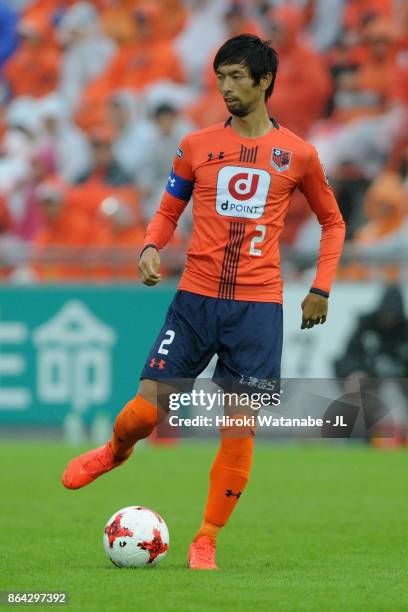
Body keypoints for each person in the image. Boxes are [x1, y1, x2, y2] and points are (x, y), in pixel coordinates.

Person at [61, 34, 346, 570]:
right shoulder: (195, 145)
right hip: (194, 300)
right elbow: (168, 211)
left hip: (258, 311)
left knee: (239, 430)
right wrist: (150, 244)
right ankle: (115, 451)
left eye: (238, 77)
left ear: (264, 82)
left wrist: (321, 287)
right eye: (220, 77)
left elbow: (333, 222)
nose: (226, 87)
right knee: (146, 411)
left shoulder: (300, 155)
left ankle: (206, 538)